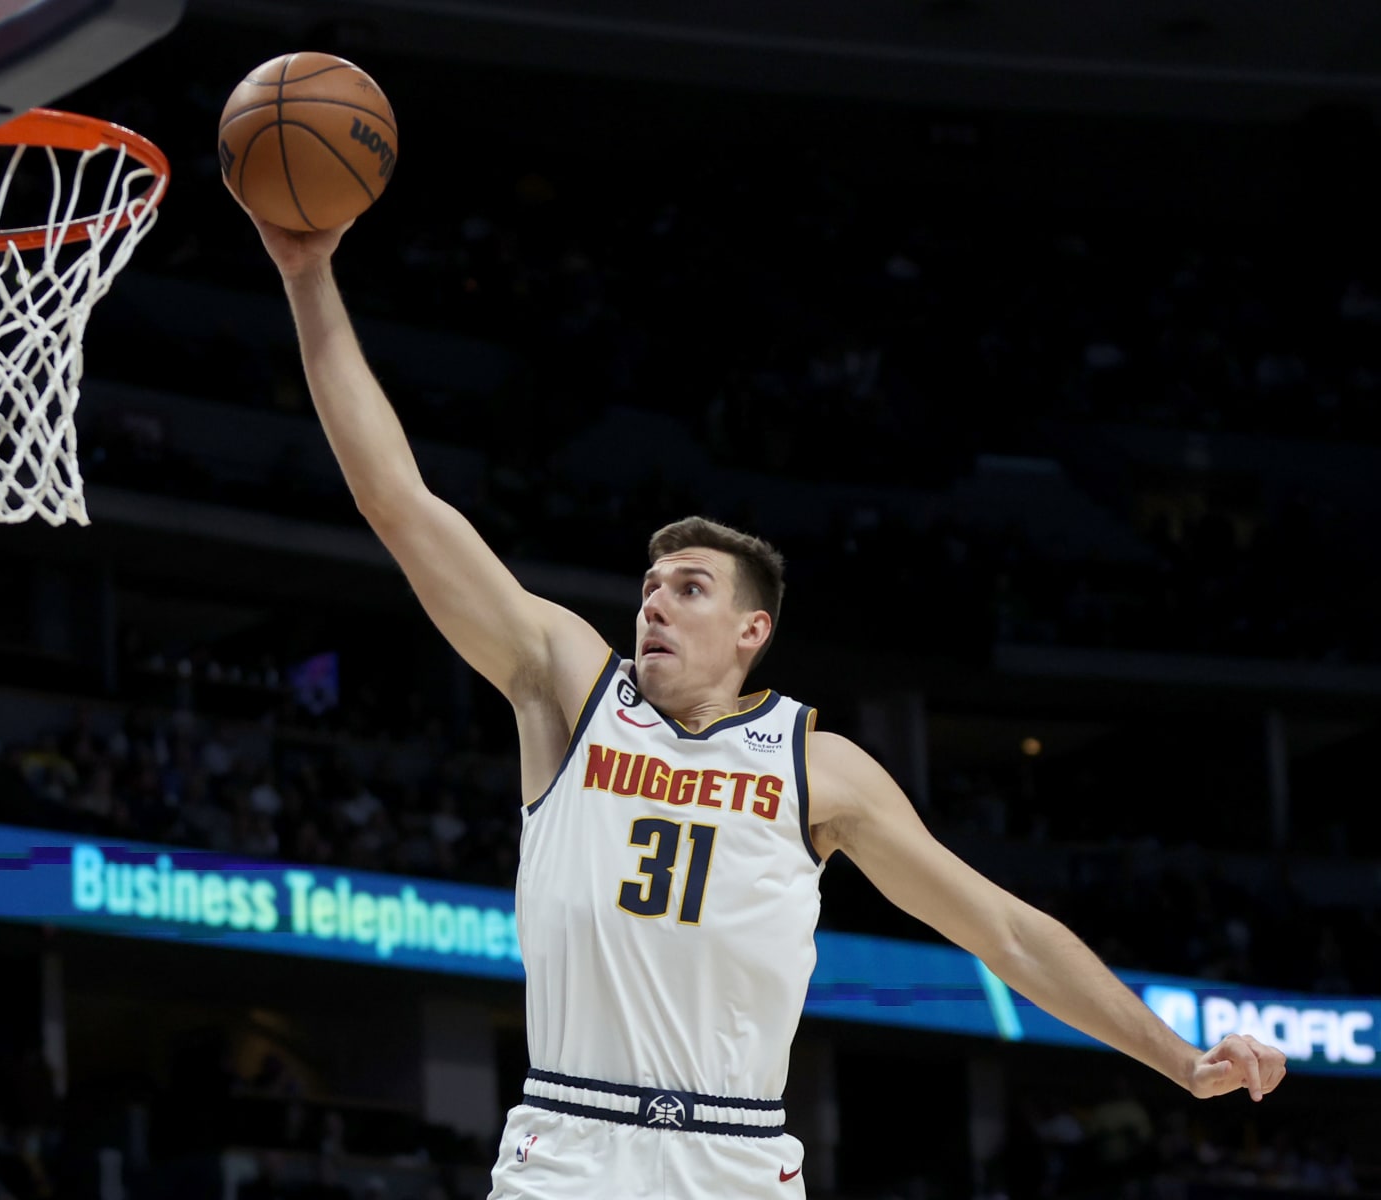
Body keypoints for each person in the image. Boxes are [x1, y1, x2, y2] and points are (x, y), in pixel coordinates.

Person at [228, 189, 1290, 1200]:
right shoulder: (567, 688)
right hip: (571, 1147)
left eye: (688, 589)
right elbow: (397, 501)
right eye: (647, 586)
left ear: (752, 632)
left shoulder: (813, 764)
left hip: (736, 1158)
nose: (653, 605)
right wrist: (309, 277)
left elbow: (1005, 934)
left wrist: (1178, 1059)